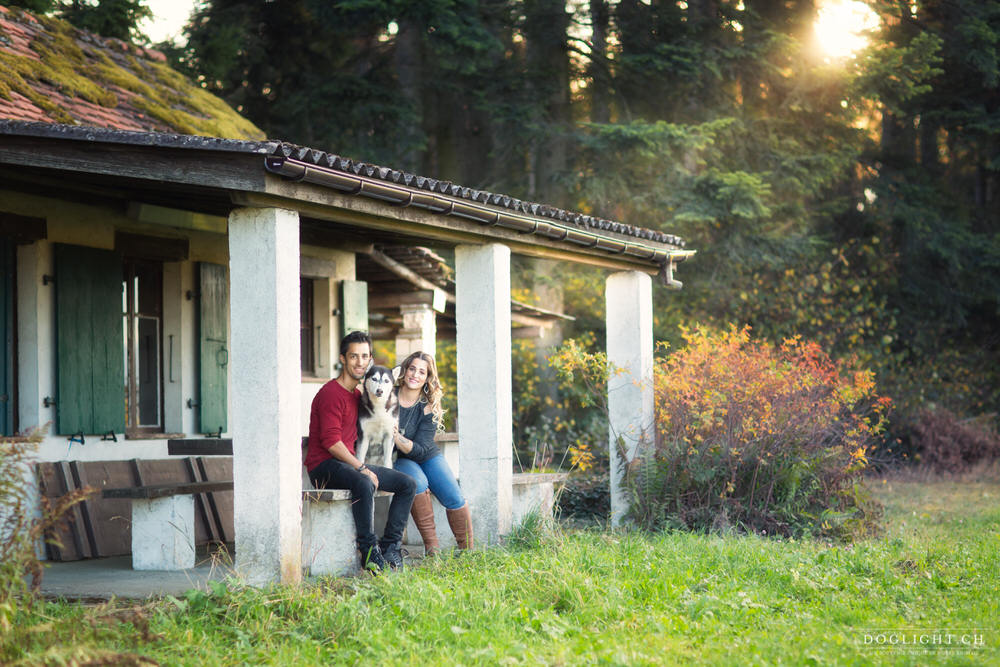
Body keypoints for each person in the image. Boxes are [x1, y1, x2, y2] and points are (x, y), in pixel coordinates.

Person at [304, 331, 416, 572]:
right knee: (364, 482)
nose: (359, 362)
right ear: (343, 358)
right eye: (353, 356)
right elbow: (332, 443)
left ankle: (390, 548)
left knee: (408, 484)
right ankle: (369, 552)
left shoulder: (359, 395)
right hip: (323, 466)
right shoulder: (331, 393)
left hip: (348, 464)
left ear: (370, 360)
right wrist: (362, 467)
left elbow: (389, 405)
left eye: (364, 356)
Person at [392, 351, 473, 554]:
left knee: (454, 497)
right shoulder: (388, 396)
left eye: (422, 371)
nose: (415, 375)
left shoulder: (427, 406)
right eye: (412, 369)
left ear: (427, 378)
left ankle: (467, 552)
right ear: (405, 370)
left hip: (426, 455)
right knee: (418, 483)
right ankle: (432, 549)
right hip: (399, 459)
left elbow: (420, 450)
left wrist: (396, 437)